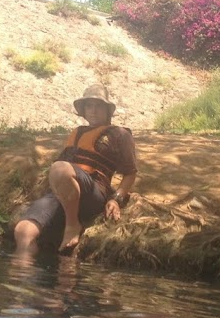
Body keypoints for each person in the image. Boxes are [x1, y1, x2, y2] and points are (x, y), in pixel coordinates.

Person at [13, 85, 138, 256]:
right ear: (84, 110)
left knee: (59, 168)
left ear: (107, 110)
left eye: (98, 106)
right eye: (89, 106)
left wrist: (116, 199)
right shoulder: (77, 132)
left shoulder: (120, 135)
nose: (93, 111)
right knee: (23, 231)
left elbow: (130, 172)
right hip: (63, 195)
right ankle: (21, 280)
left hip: (93, 192)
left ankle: (72, 225)